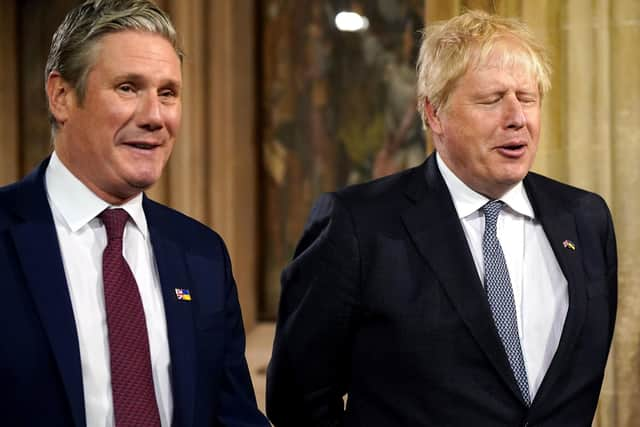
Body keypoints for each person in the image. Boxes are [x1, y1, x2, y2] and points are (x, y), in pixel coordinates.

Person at [267, 10, 617, 426]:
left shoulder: (585, 218)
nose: (517, 118)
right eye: (492, 100)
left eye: (527, 98)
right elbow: (298, 401)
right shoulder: (358, 226)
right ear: (434, 113)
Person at [0, 1, 269, 426]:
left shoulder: (202, 255)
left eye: (168, 93)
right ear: (61, 96)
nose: (154, 117)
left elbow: (231, 415)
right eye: (128, 88)